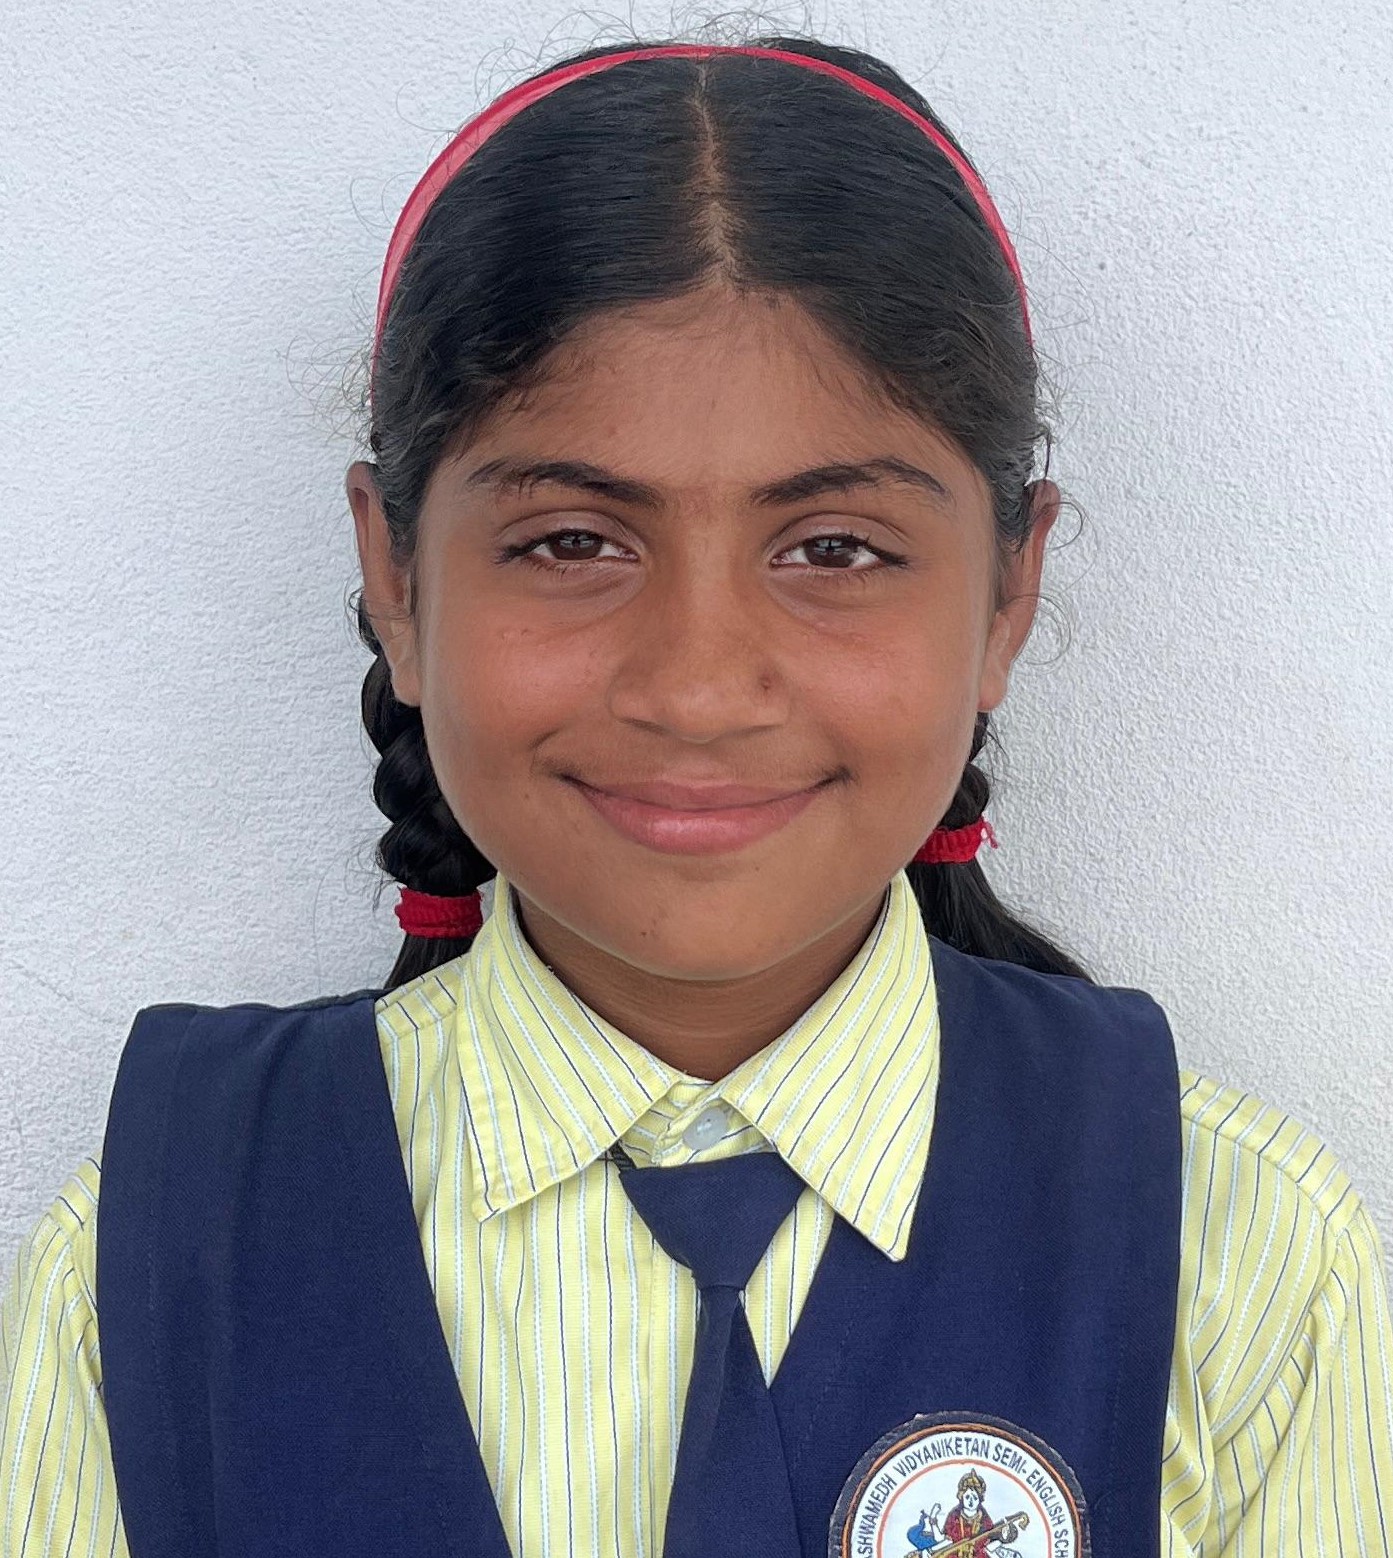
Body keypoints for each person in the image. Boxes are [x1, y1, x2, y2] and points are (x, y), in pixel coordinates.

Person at [2, 29, 1391, 1558]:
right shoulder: (150, 1254)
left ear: (1008, 591)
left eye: (834, 549)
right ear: (395, 577)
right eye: (571, 541)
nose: (698, 683)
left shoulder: (1237, 1256)